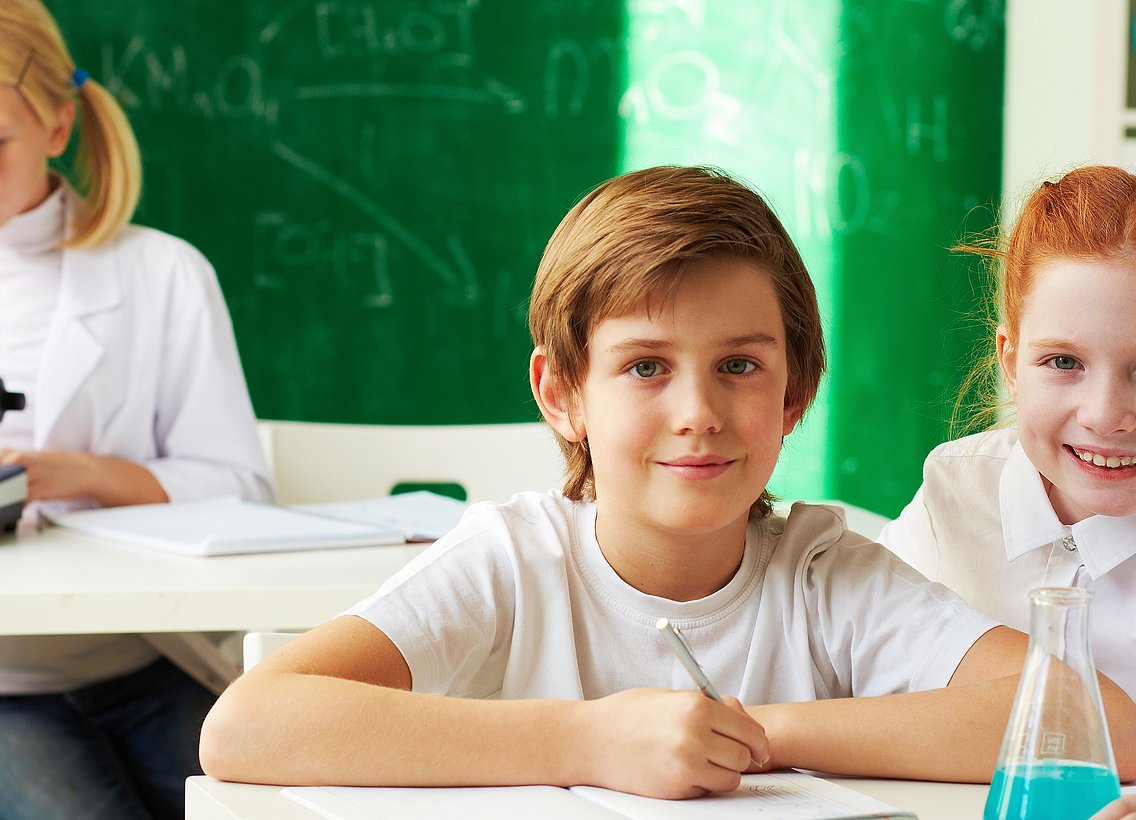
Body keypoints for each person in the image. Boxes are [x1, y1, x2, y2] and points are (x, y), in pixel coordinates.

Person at [199, 165, 1135, 798]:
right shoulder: (515, 561)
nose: (698, 412)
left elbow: (1104, 731)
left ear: (795, 391)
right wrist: (591, 741)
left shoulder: (824, 573)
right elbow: (245, 727)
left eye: (740, 365)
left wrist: (754, 733)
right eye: (646, 367)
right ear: (562, 393)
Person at [0, 2, 273, 818]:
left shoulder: (163, 273)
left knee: (269, 801)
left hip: (148, 657)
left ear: (57, 125)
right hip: (9, 687)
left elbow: (238, 490)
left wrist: (72, 474)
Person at [879, 165, 1136, 703]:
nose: (1107, 414)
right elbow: (850, 656)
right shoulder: (955, 492)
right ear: (1012, 366)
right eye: (1063, 361)